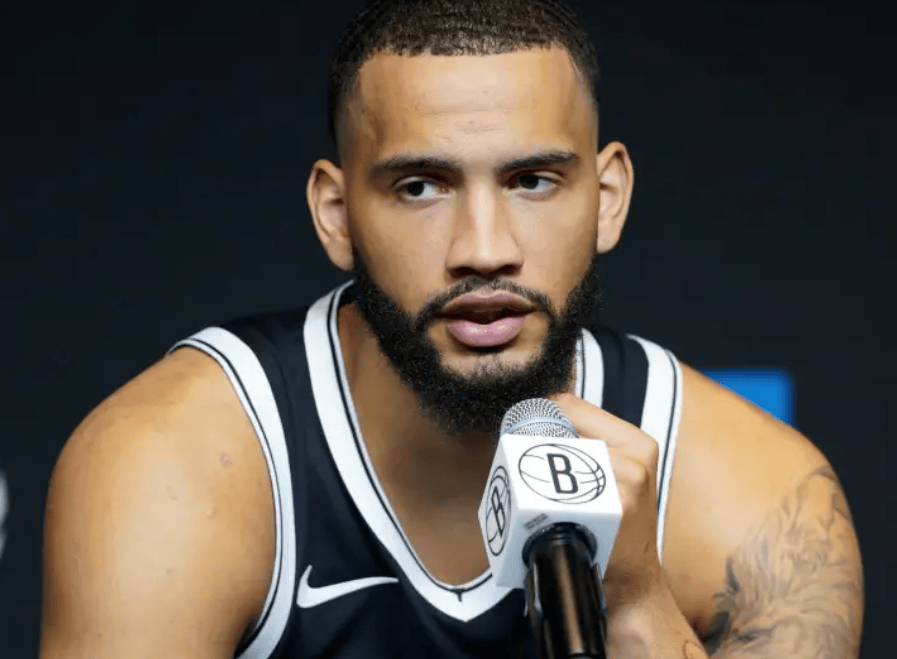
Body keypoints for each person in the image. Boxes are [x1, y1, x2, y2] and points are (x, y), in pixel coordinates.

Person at [39, 1, 864, 657]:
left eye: (532, 180)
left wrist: (637, 602)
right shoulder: (172, 465)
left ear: (607, 198)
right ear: (336, 215)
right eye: (420, 187)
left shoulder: (763, 501)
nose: (484, 249)